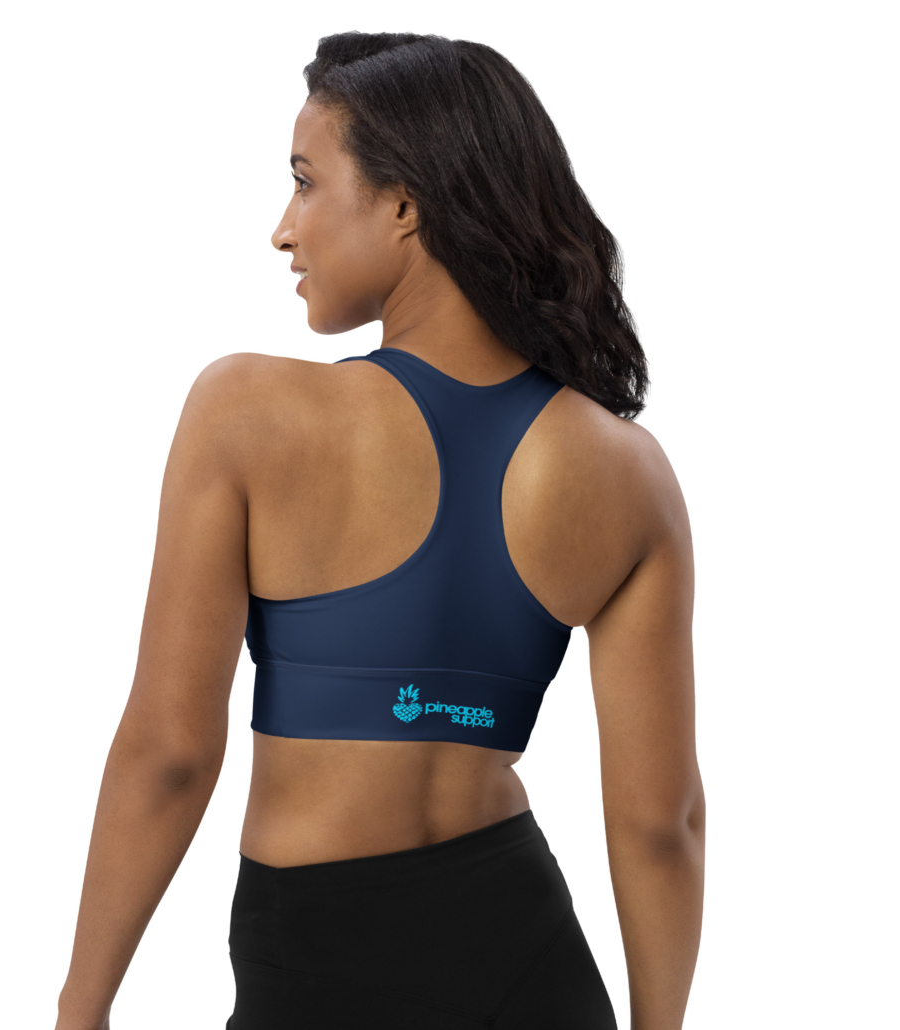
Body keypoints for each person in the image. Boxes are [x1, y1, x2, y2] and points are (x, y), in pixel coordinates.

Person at [54, 31, 704, 1030]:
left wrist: (80, 1009)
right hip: (529, 969)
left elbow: (168, 751)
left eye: (305, 182)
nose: (282, 229)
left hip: (316, 975)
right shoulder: (628, 471)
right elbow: (661, 822)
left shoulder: (246, 413)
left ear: (404, 205)